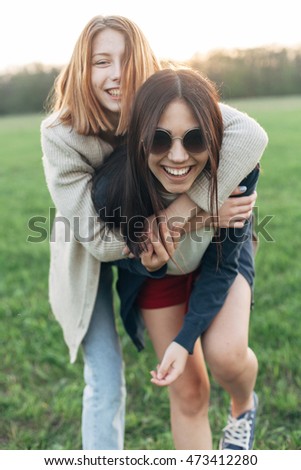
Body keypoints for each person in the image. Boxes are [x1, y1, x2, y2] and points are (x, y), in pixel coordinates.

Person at [41, 15, 268, 450]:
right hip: (118, 255)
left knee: (225, 354)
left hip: (205, 246)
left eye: (125, 59)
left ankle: (243, 404)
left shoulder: (165, 96)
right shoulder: (62, 136)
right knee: (130, 379)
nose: (116, 73)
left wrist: (185, 209)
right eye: (100, 61)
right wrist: (197, 217)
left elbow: (249, 134)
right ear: (81, 69)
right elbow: (100, 239)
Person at [91, 67, 268, 450]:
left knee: (226, 356)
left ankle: (244, 406)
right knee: (188, 391)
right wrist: (148, 260)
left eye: (195, 139)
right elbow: (125, 258)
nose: (177, 156)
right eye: (158, 139)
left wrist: (186, 339)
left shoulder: (236, 169)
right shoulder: (114, 188)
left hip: (219, 259)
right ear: (138, 137)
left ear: (214, 136)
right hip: (159, 277)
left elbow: (222, 264)